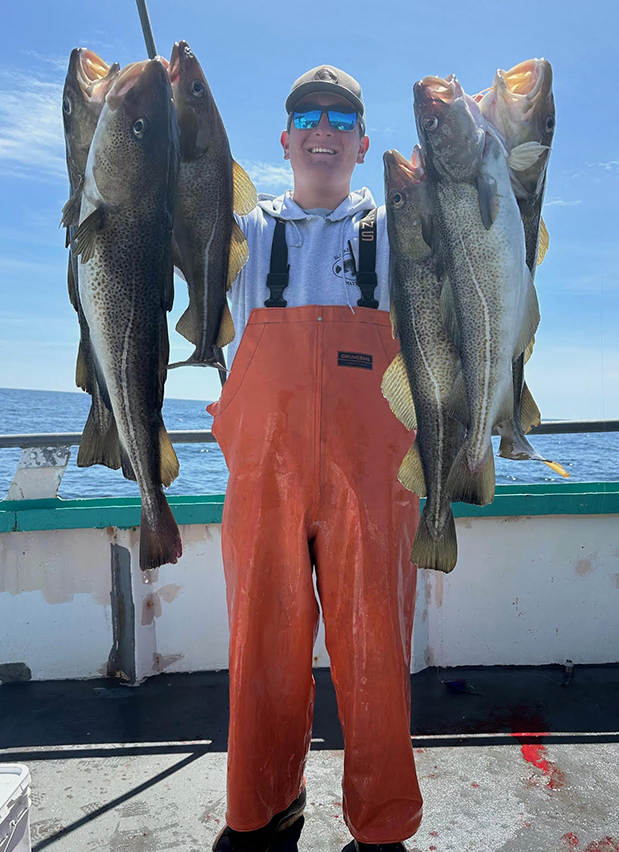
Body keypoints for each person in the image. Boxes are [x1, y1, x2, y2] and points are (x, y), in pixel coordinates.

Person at [207, 65, 422, 852]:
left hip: (374, 477)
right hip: (264, 474)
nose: (322, 128)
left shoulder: (400, 229)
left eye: (340, 117)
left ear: (363, 143)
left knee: (374, 651)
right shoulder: (239, 232)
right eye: (307, 115)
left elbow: (483, 248)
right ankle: (266, 807)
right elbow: (155, 225)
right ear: (286, 138)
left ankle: (381, 825)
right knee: (261, 644)